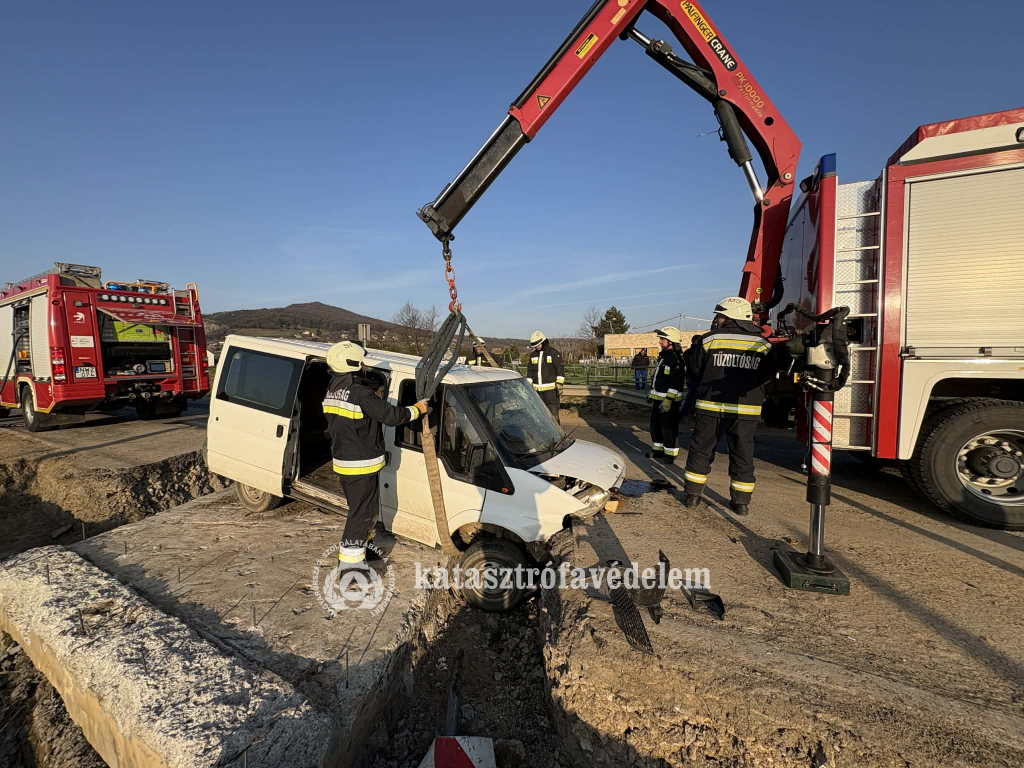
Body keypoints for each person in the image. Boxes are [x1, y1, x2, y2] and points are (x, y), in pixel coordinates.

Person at [323, 341, 430, 572]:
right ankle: (351, 569)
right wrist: (419, 408)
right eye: (360, 362)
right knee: (360, 515)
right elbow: (392, 416)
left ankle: (363, 547)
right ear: (351, 363)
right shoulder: (360, 393)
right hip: (360, 465)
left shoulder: (333, 388)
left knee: (364, 510)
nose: (363, 366)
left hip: (345, 461)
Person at [682, 297, 778, 516]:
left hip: (710, 406)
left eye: (720, 315)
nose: (716, 319)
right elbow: (767, 377)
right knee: (743, 454)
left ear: (730, 316)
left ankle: (693, 497)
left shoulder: (709, 340)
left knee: (701, 450)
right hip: (746, 410)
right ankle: (740, 503)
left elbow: (695, 370)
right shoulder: (762, 344)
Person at [646, 327, 685, 464]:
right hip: (658, 400)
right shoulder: (664, 356)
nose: (660, 342)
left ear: (671, 342)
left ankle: (670, 454)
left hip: (669, 402)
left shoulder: (675, 358)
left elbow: (677, 381)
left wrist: (668, 400)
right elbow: (659, 378)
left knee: (669, 428)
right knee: (655, 426)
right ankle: (658, 451)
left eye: (662, 340)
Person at [526, 330, 564, 423]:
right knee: (539, 417)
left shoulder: (553, 353)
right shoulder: (533, 355)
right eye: (535, 346)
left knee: (553, 416)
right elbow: (530, 371)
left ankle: (557, 435)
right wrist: (528, 386)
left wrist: (559, 383)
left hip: (551, 392)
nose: (537, 347)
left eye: (538, 344)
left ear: (543, 342)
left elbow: (560, 369)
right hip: (537, 392)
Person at [680, 334, 703, 417]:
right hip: (697, 377)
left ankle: (685, 413)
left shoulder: (687, 352)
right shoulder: (699, 352)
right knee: (696, 396)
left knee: (690, 396)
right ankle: (692, 413)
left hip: (690, 376)